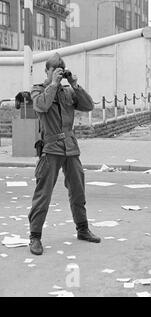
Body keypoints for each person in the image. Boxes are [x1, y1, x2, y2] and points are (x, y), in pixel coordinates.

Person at [28, 53, 101, 256]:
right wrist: (53, 84)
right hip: (51, 148)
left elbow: (88, 106)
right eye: (54, 70)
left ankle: (83, 229)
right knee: (43, 194)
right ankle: (35, 237)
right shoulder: (39, 90)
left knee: (78, 190)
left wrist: (75, 85)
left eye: (60, 70)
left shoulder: (68, 92)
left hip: (71, 147)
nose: (58, 74)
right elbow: (41, 105)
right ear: (47, 71)